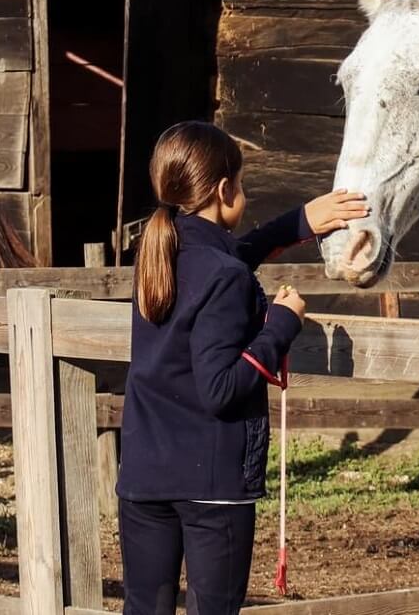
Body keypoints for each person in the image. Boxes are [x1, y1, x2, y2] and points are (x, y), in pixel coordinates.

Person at [115, 120, 367, 614]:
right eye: (243, 184)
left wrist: (299, 223)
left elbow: (227, 259)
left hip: (145, 472)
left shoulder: (158, 253)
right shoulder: (223, 274)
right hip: (210, 480)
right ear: (225, 189)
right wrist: (279, 325)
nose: (244, 194)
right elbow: (221, 387)